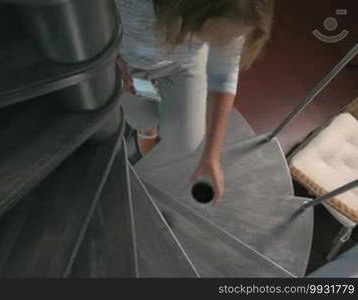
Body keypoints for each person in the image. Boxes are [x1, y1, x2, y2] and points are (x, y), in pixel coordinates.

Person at [115, 0, 274, 203]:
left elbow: (223, 76)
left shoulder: (238, 10)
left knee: (185, 141)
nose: (224, 46)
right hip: (126, 64)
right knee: (141, 118)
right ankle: (148, 127)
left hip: (181, 65)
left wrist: (212, 156)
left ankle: (154, 108)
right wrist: (111, 61)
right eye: (211, 38)